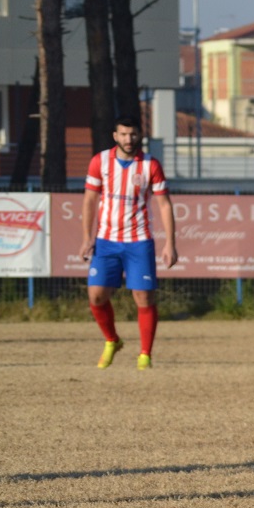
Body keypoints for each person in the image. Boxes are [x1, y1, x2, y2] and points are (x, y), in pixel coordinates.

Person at [77, 115, 177, 370]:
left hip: (139, 241)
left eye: (132, 134)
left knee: (143, 297)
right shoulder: (100, 161)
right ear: (115, 136)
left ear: (139, 135)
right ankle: (112, 340)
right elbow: (89, 200)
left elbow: (164, 205)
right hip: (106, 241)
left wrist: (170, 243)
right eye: (123, 134)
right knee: (96, 296)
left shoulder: (150, 164)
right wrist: (87, 237)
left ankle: (145, 355)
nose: (128, 139)